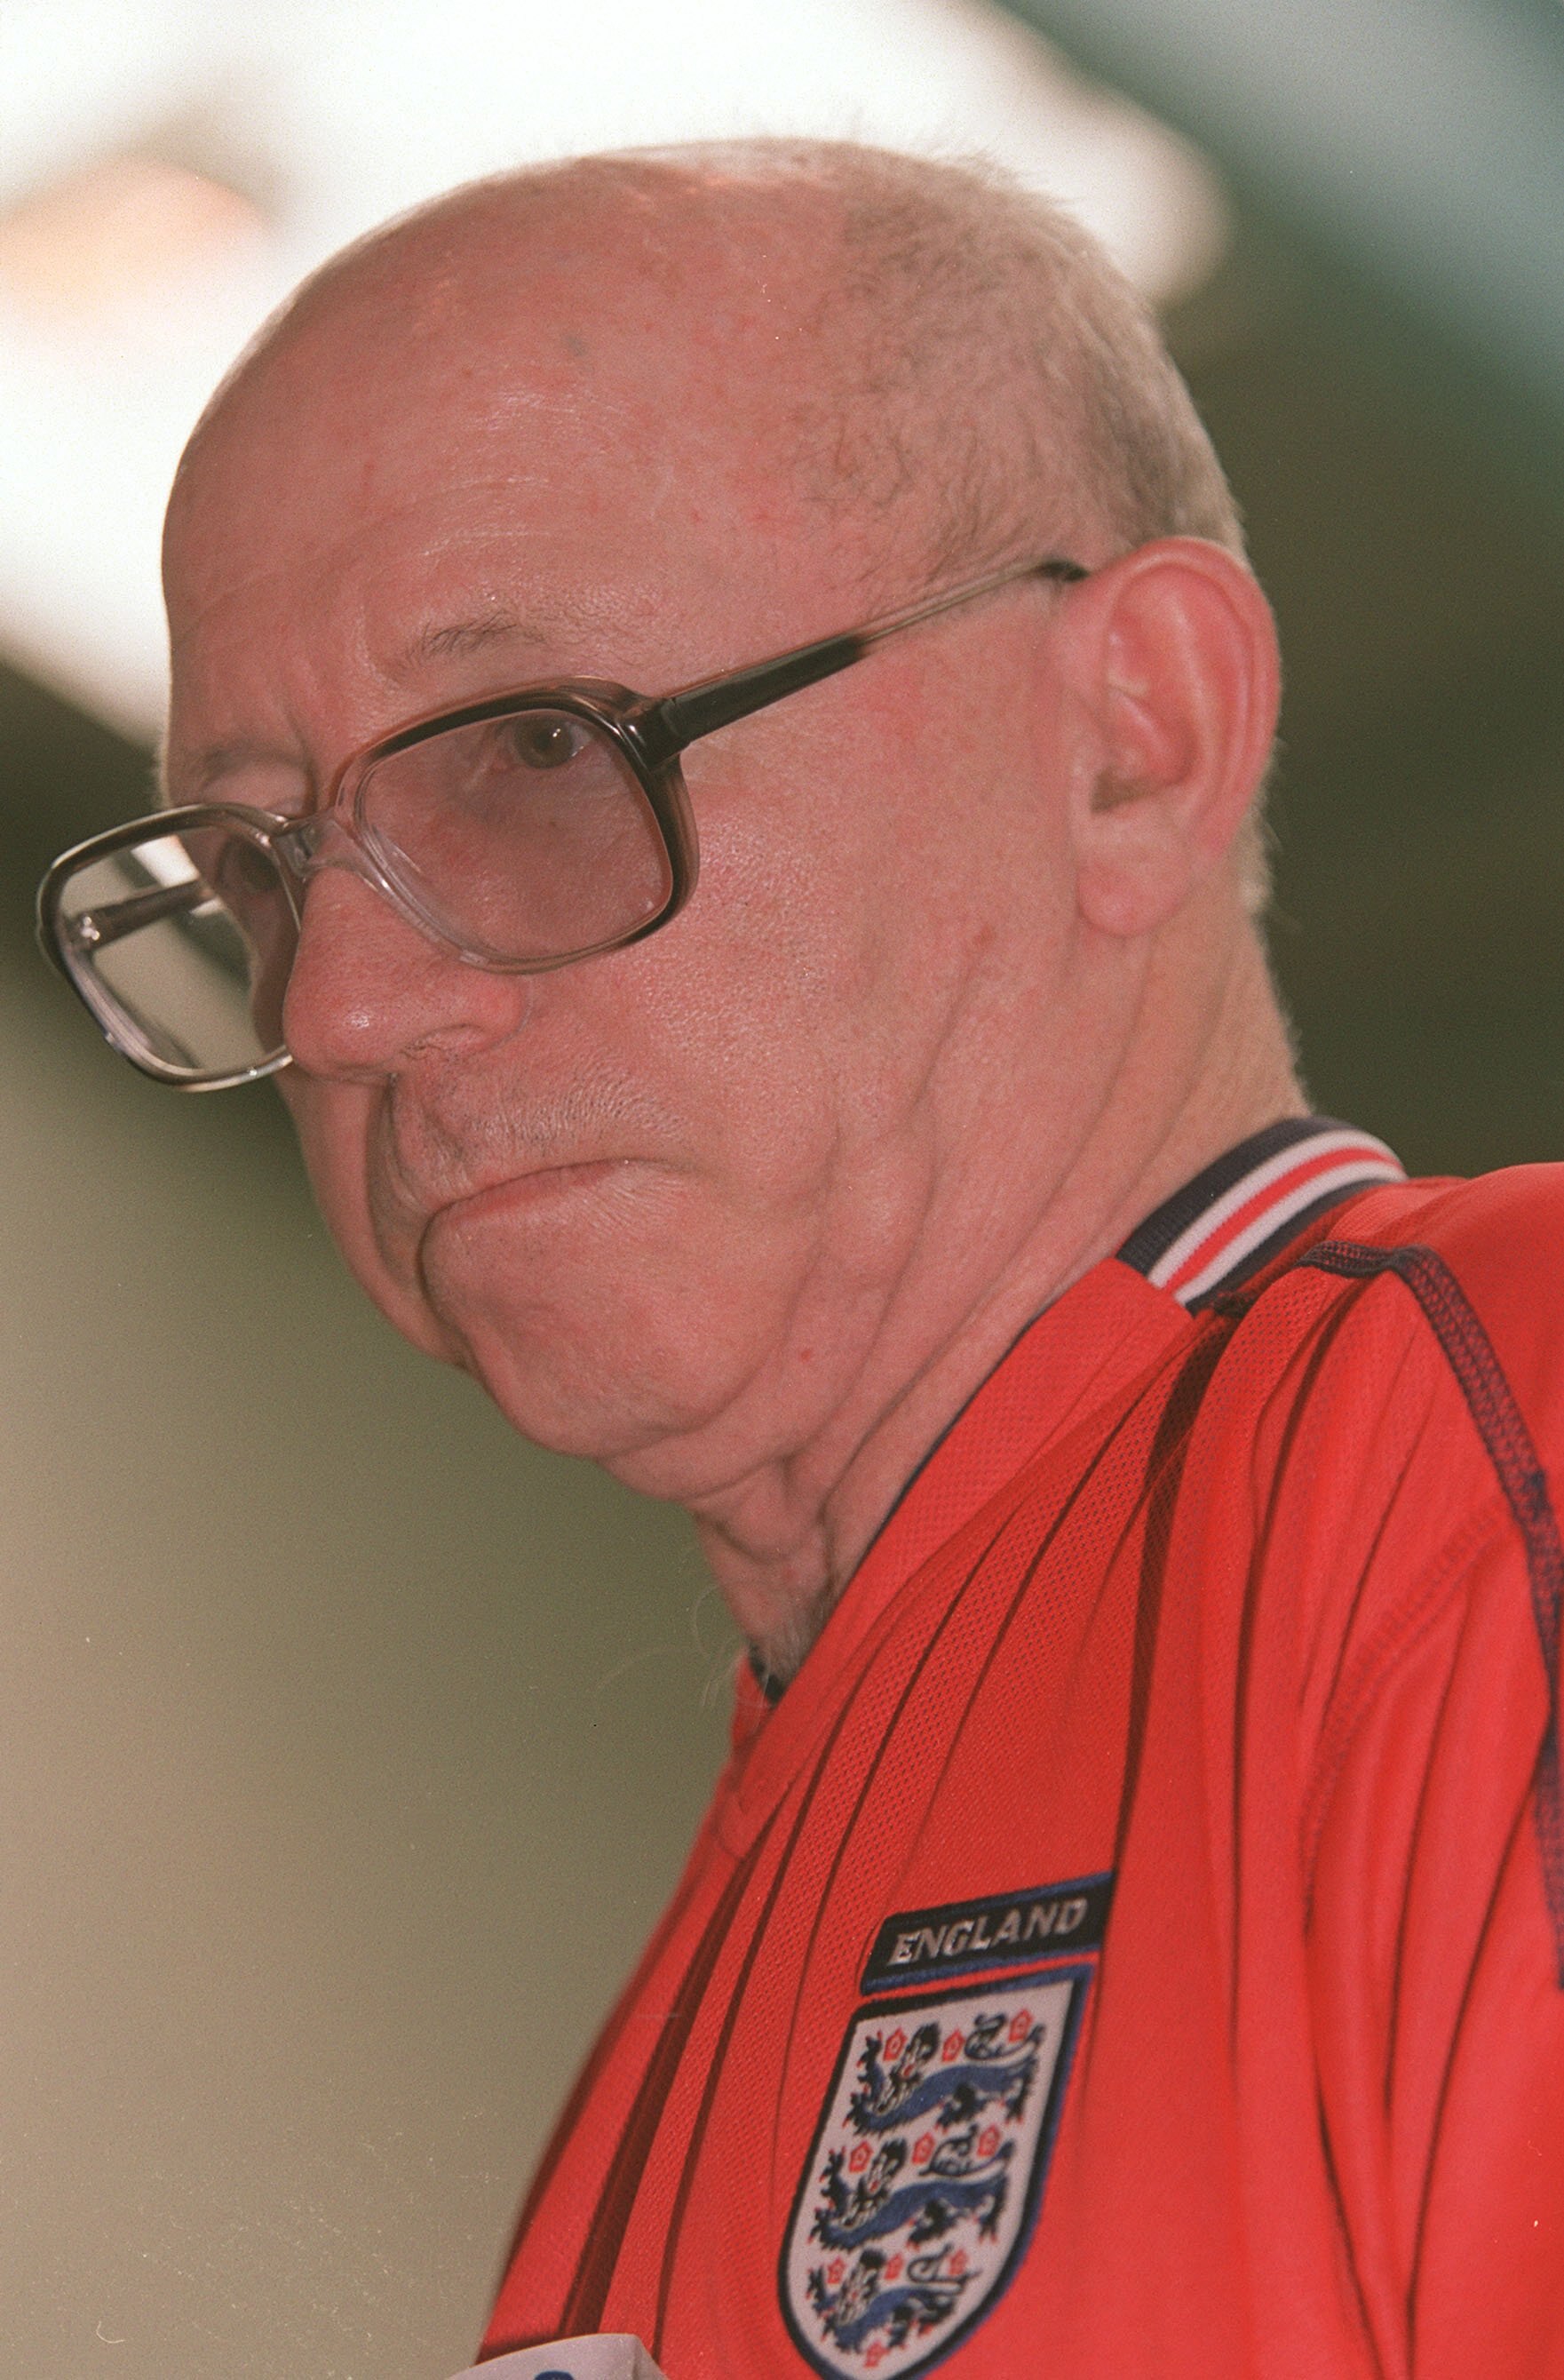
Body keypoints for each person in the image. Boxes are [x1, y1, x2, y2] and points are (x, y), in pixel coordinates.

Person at [37, 141, 1564, 2378]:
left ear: (1130, 741)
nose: (340, 1007)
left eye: (537, 747)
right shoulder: (743, 1929)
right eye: (252, 867)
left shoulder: (1495, 1437)